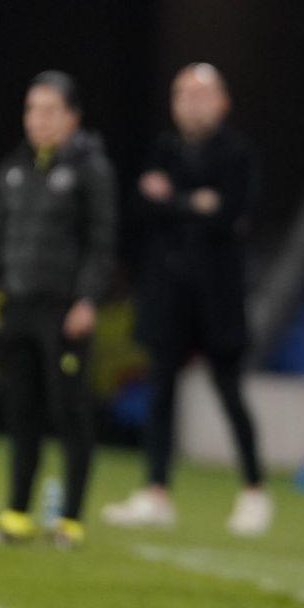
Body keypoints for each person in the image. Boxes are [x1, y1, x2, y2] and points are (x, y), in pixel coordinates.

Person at [102, 64, 268, 535]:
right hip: (168, 290)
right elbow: (142, 207)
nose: (191, 104)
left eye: (201, 94)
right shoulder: (163, 148)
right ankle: (156, 490)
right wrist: (193, 202)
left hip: (217, 294)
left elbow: (228, 213)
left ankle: (254, 488)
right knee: (160, 390)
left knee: (229, 390)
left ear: (222, 102)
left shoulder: (238, 154)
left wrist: (173, 200)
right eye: (182, 95)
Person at [0, 72, 117, 550]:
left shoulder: (90, 168)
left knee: (69, 413)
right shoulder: (14, 168)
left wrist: (87, 298)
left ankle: (69, 520)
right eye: (32, 109)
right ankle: (17, 514)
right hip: (18, 308)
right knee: (21, 411)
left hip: (63, 311)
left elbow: (101, 242)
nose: (39, 120)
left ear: (72, 116)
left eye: (50, 110)